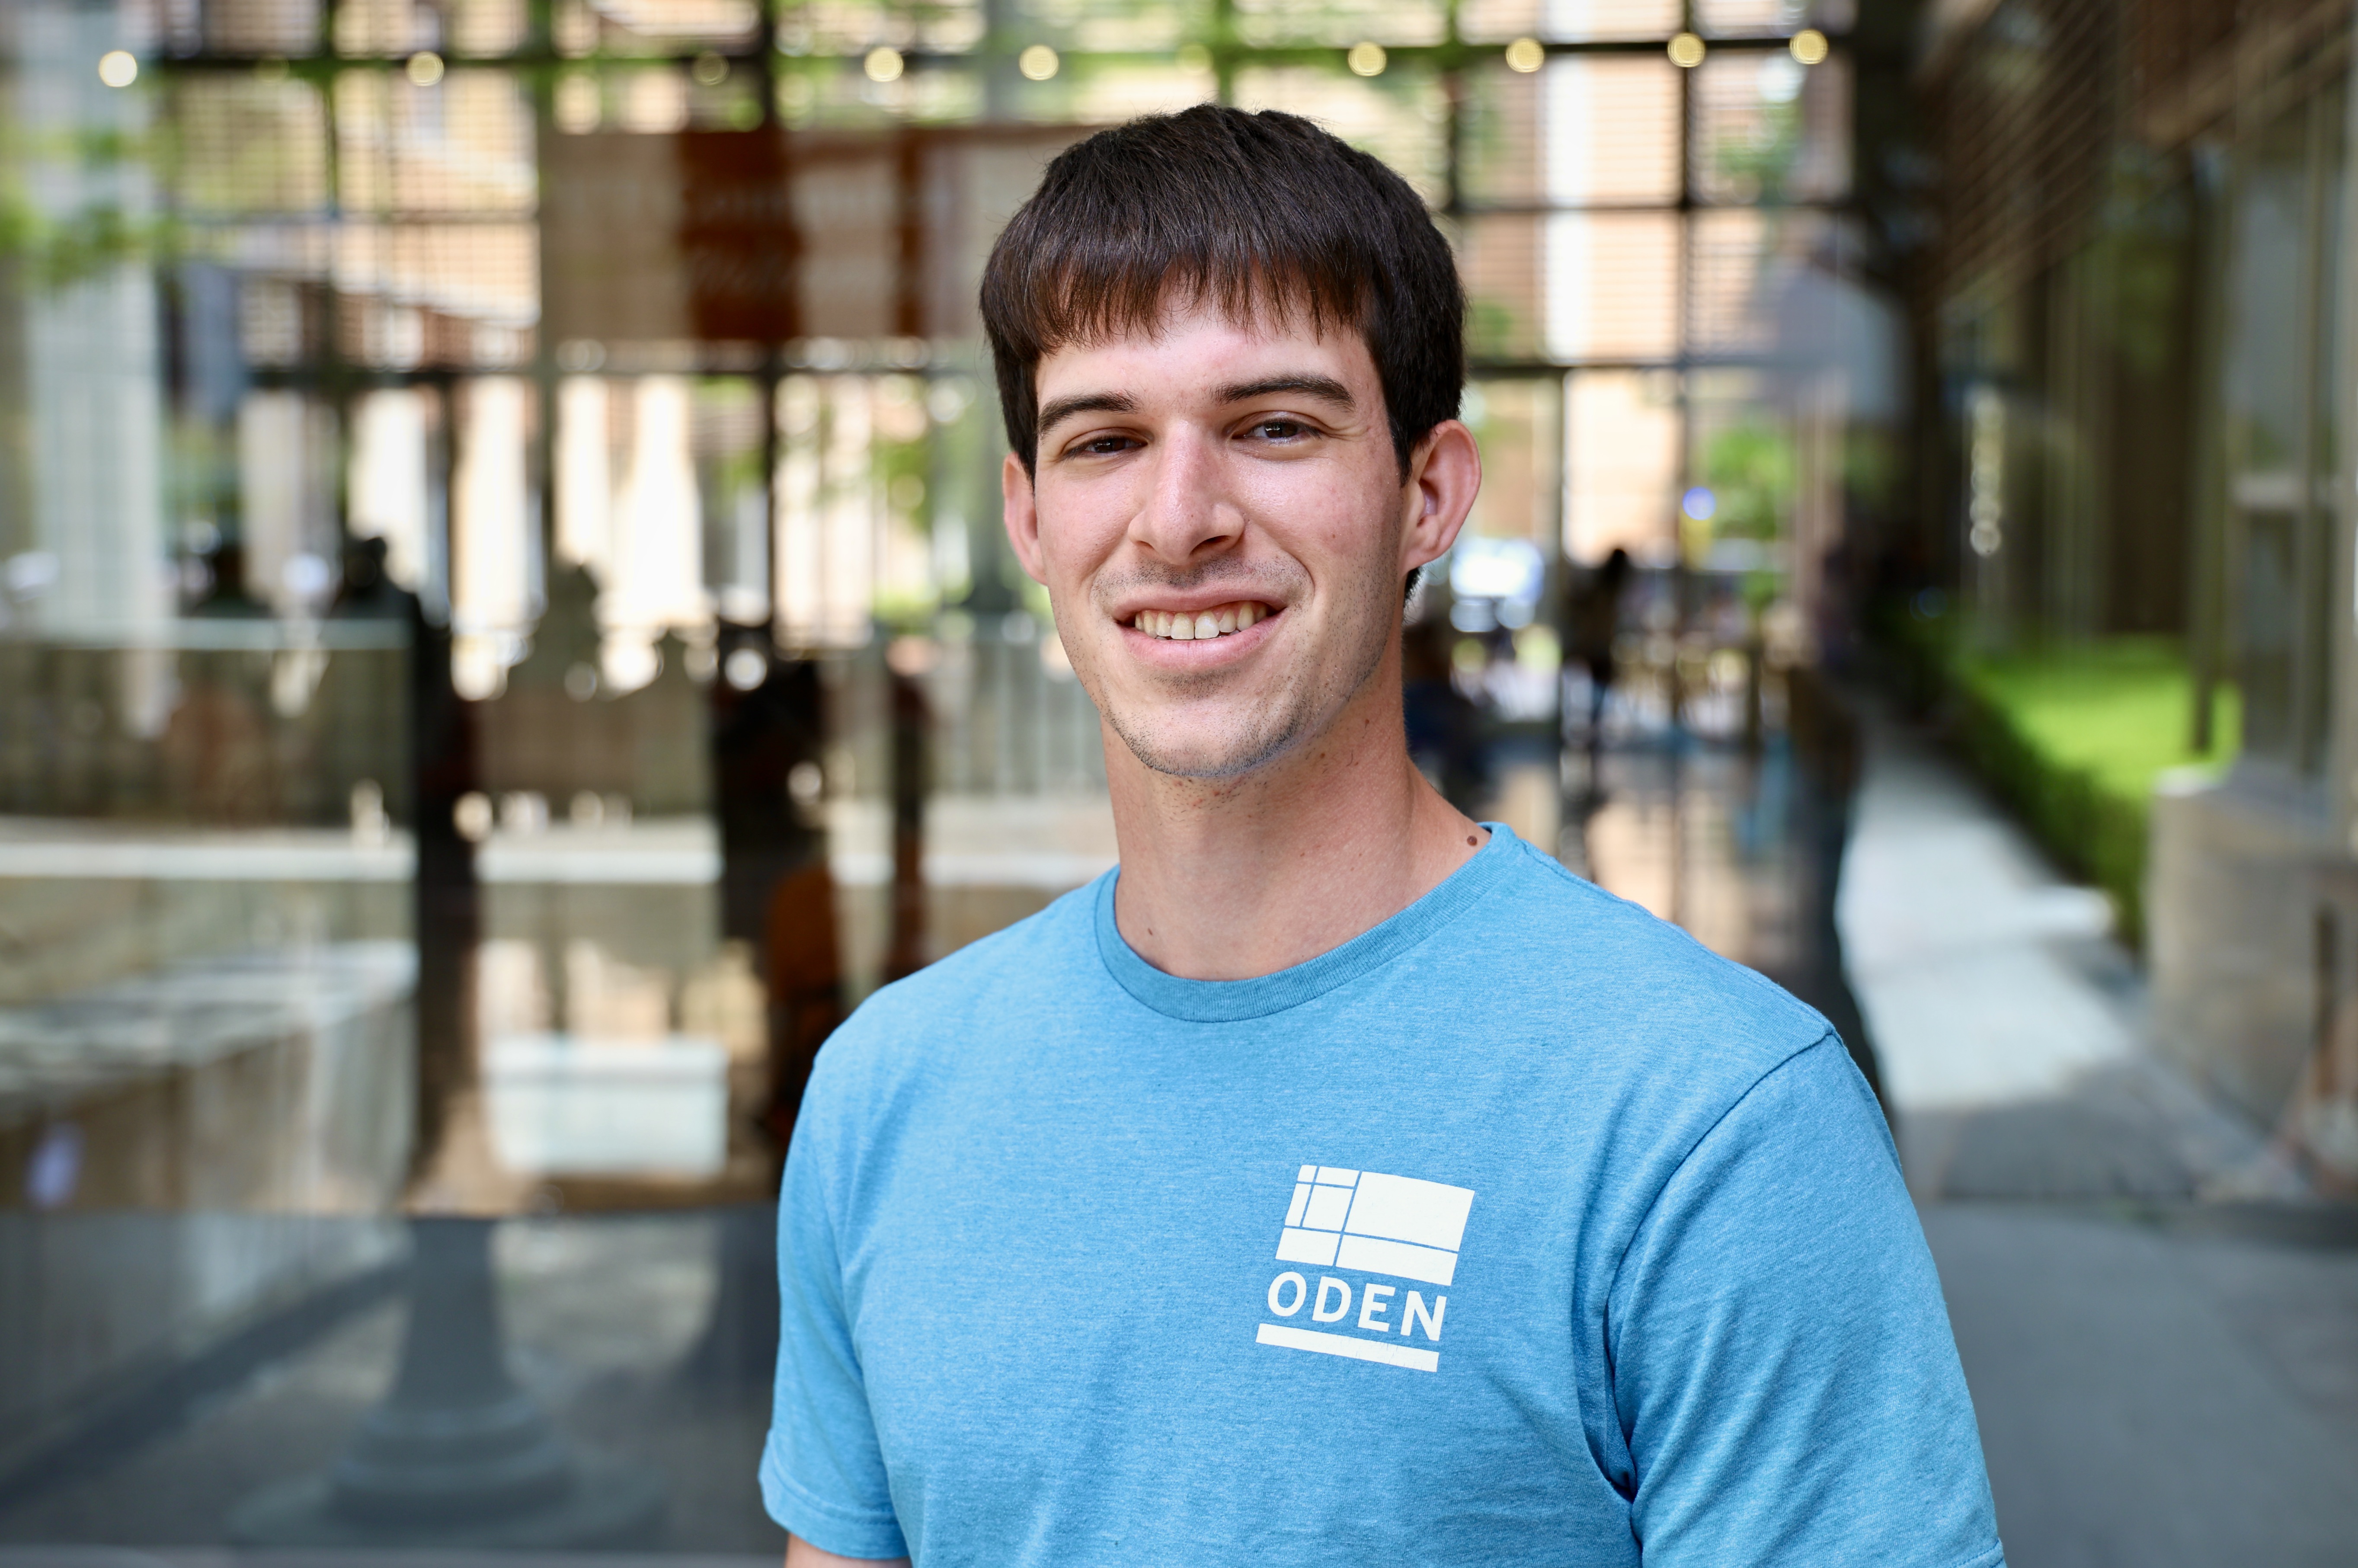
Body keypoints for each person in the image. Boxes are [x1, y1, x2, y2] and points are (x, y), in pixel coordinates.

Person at [762, 106, 2003, 1568]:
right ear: (1031, 520)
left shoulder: (1711, 1123)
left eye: (1274, 426)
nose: (1179, 520)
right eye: (1105, 439)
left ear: (1428, 494)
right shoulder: (885, 1097)